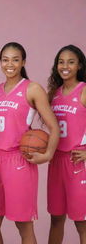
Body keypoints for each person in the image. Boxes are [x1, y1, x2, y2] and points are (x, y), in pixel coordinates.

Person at [0, 42, 60, 244]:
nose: (10, 64)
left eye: (15, 60)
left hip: (20, 161)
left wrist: (48, 154)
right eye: (5, 60)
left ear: (23, 62)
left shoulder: (33, 89)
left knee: (23, 224)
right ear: (0, 62)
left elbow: (54, 126)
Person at [47, 45, 86, 244]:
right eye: (61, 62)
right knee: (56, 219)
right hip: (56, 161)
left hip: (78, 161)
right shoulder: (54, 94)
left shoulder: (84, 90)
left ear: (79, 66)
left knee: (82, 223)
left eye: (71, 62)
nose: (65, 66)